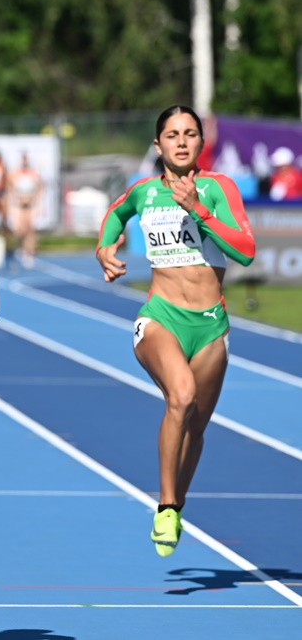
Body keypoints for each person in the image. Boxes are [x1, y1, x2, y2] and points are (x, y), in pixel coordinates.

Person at [96, 105, 255, 558]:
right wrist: (104, 247)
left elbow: (245, 251)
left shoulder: (218, 189)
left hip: (210, 326)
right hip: (160, 316)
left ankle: (178, 503)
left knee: (196, 427)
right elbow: (116, 211)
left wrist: (199, 211)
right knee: (180, 397)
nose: (181, 141)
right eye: (171, 134)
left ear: (201, 142)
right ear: (158, 143)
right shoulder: (144, 191)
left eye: (189, 134)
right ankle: (165, 504)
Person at [9, 151, 42, 268]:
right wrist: (17, 198)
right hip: (19, 204)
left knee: (30, 228)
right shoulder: (15, 174)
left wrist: (34, 198)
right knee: (20, 229)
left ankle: (29, 253)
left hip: (30, 204)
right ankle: (21, 247)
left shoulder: (33, 173)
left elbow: (40, 186)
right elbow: (11, 187)